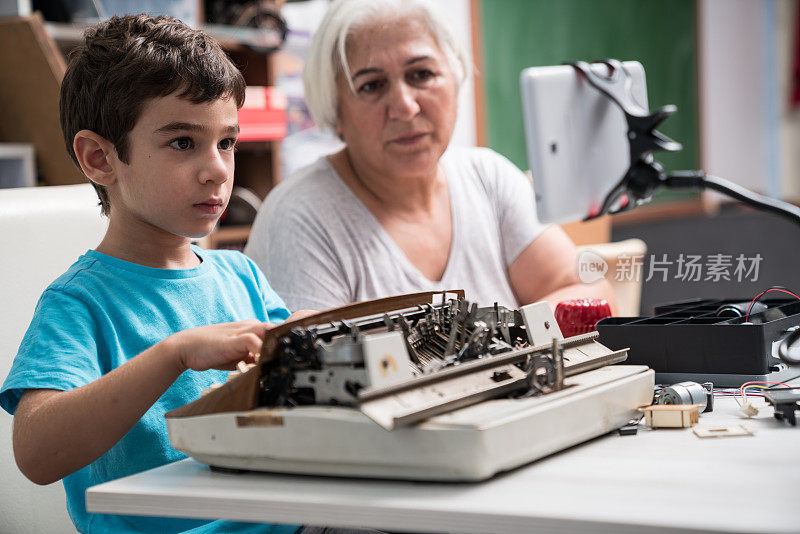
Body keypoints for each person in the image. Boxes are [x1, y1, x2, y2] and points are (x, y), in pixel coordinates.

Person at [0, 15, 305, 534]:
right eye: (183, 142)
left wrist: (309, 340)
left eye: (226, 142)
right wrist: (174, 354)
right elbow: (37, 454)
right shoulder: (79, 302)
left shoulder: (242, 275)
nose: (218, 170)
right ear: (100, 158)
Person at [245, 0, 616, 313]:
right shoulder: (300, 218)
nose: (405, 107)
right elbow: (315, 383)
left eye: (421, 74)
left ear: (454, 80)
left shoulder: (488, 177)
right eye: (371, 85)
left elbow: (592, 296)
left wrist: (495, 341)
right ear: (335, 110)